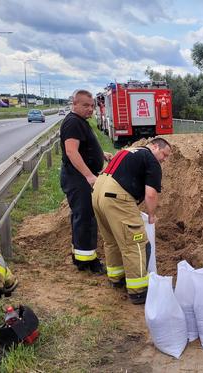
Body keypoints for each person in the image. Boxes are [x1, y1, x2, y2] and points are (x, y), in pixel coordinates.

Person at [92, 137, 171, 304]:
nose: (165, 159)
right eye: (164, 154)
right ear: (155, 146)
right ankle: (138, 291)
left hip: (98, 193)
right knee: (135, 243)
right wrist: (151, 214)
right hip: (117, 198)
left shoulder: (129, 151)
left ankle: (116, 279)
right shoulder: (151, 160)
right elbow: (151, 194)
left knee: (112, 240)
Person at [60, 89, 112, 274]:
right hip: (78, 179)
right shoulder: (73, 123)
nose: (90, 109)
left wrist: (101, 154)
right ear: (74, 104)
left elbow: (81, 148)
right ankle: (86, 262)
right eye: (85, 105)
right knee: (85, 218)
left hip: (79, 177)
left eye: (92, 106)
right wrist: (89, 176)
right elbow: (72, 151)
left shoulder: (80, 122)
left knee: (83, 217)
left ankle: (81, 256)